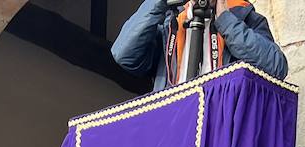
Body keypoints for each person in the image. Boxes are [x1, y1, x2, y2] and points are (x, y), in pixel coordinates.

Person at [112, 0, 288, 91]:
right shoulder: (169, 22)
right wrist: (160, 3)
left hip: (220, 128)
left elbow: (276, 67)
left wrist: (226, 21)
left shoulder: (243, 16)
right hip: (172, 126)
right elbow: (124, 55)